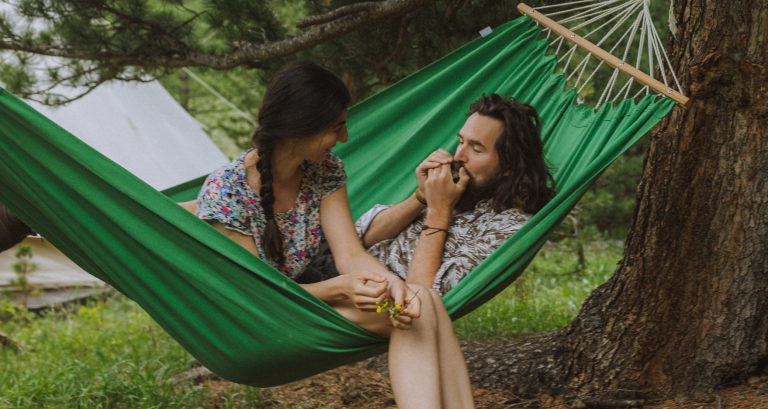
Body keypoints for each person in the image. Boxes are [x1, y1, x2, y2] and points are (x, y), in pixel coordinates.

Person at [179, 60, 475, 409]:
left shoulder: (324, 170)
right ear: (300, 126)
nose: (344, 138)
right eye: (337, 127)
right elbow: (257, 295)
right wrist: (339, 288)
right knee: (418, 306)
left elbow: (350, 254)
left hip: (308, 307)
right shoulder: (228, 190)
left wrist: (394, 286)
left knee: (419, 303)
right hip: (255, 326)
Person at [303, 93, 555, 297]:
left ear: (508, 167)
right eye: (461, 141)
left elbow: (422, 295)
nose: (458, 156)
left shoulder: (508, 227)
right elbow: (362, 237)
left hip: (366, 293)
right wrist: (420, 197)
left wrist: (438, 210)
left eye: (476, 149)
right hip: (332, 258)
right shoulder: (452, 187)